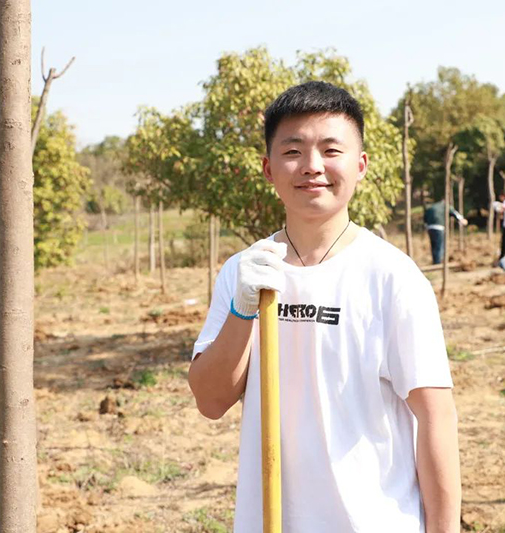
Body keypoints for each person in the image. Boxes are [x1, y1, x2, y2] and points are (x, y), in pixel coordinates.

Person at [188, 81, 460, 533]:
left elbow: (436, 416)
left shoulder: (392, 276)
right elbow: (211, 400)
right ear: (268, 168)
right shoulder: (244, 271)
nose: (312, 166)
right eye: (292, 151)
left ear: (361, 165)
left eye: (331, 150)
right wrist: (242, 309)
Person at [424, 200, 468, 265]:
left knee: (434, 245)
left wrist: (426, 226)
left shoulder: (432, 207)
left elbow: (425, 218)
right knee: (440, 245)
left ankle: (435, 261)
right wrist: (461, 219)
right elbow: (454, 213)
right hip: (439, 227)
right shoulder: (445, 206)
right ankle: (438, 263)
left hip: (430, 228)